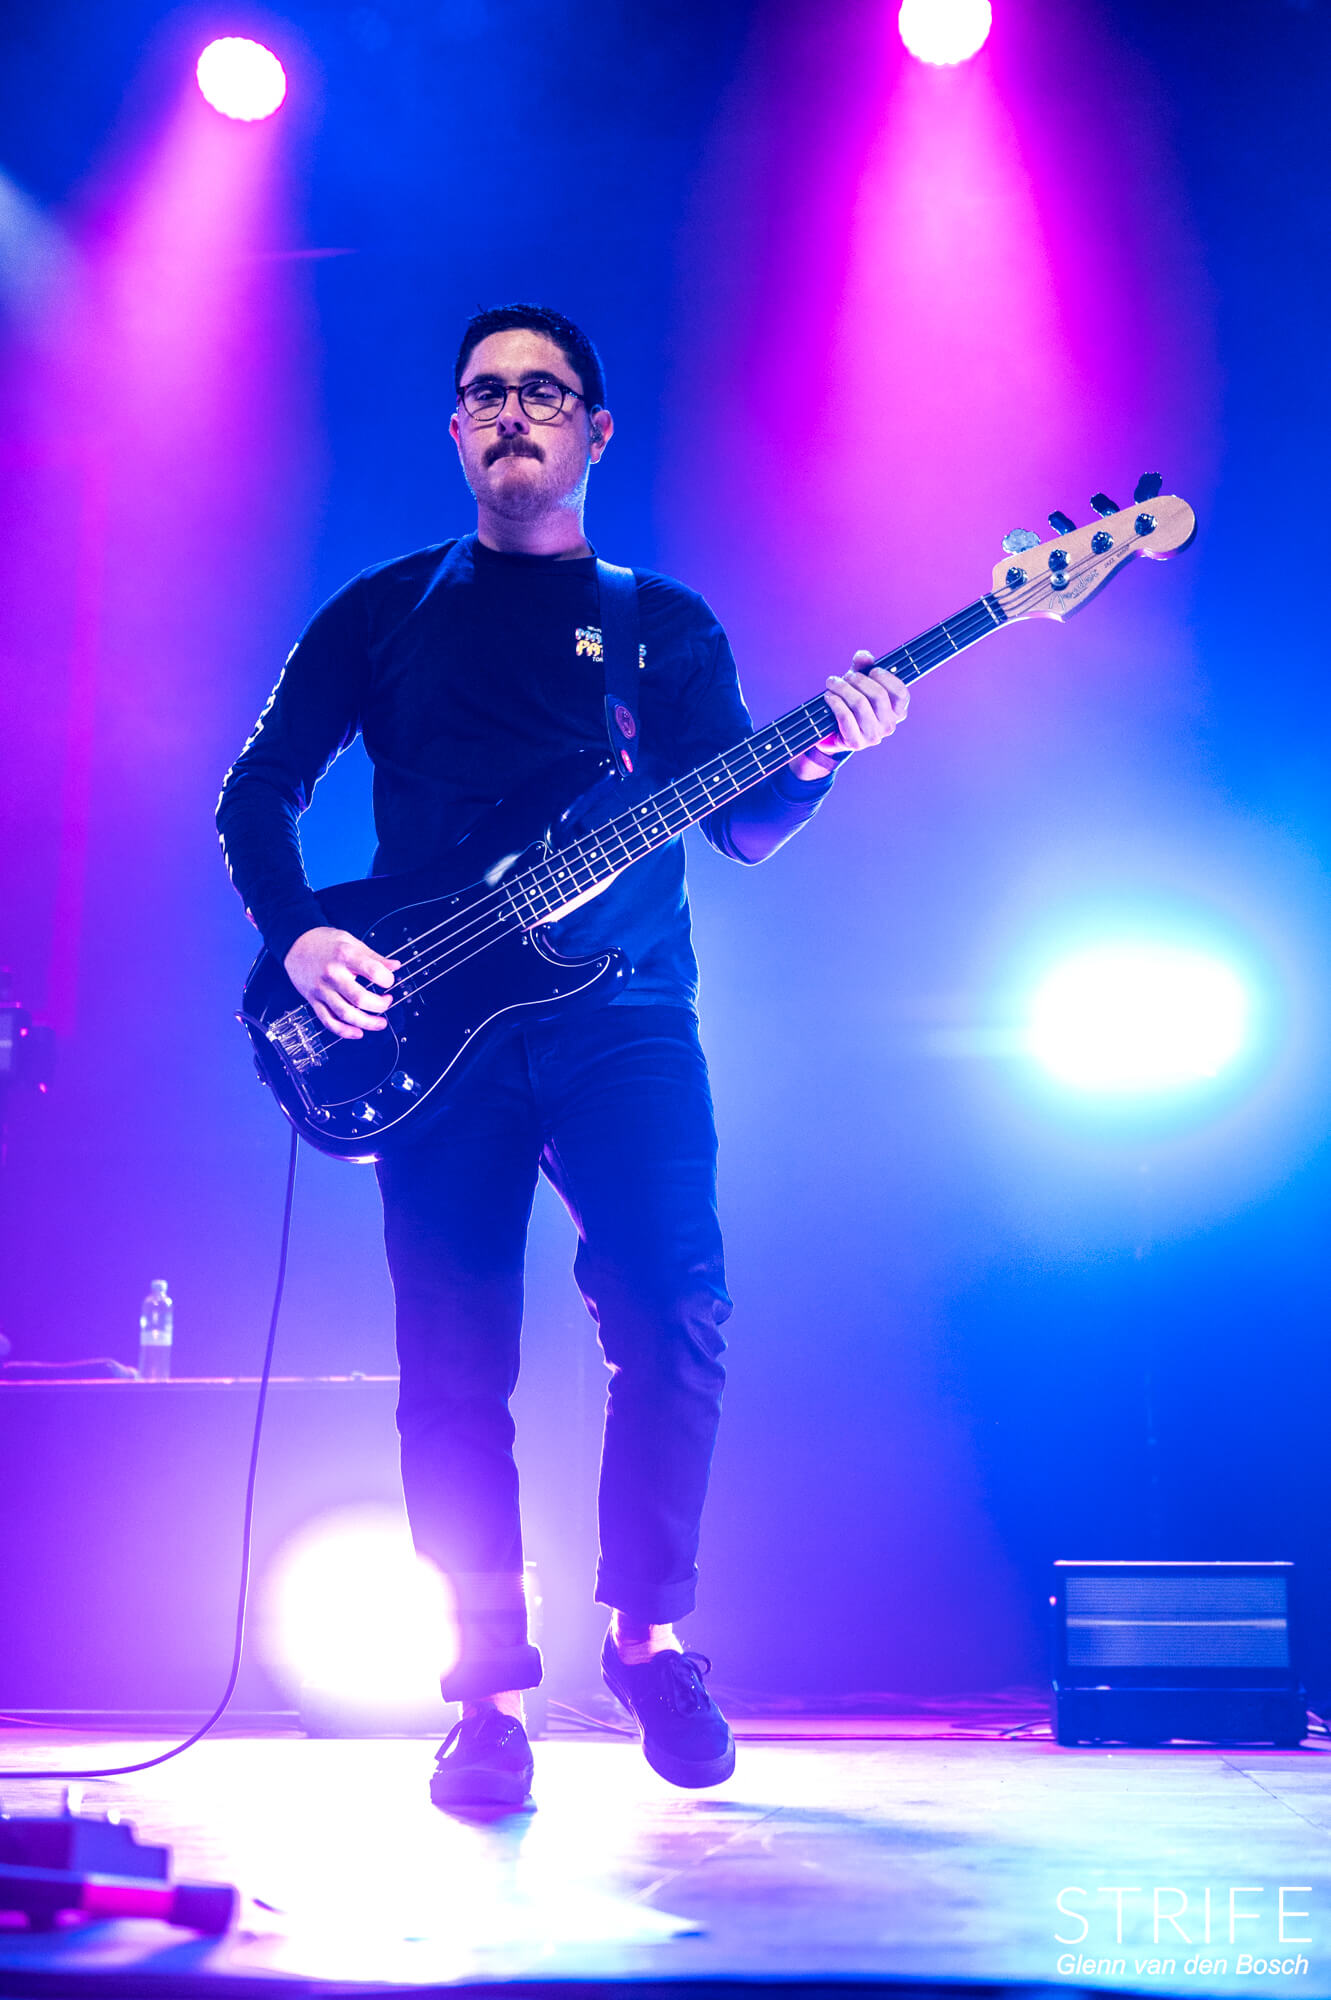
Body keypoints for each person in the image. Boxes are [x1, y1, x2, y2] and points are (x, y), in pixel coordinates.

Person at [216, 303, 908, 1811]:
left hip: (628, 1016)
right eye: (484, 393)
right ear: (456, 430)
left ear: (595, 428)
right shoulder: (382, 613)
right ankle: (484, 1699)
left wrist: (821, 754)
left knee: (677, 1311)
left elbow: (742, 823)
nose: (511, 410)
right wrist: (300, 934)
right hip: (428, 1025)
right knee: (453, 1365)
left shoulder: (663, 625)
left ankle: (650, 1639)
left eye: (543, 390)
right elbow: (256, 790)